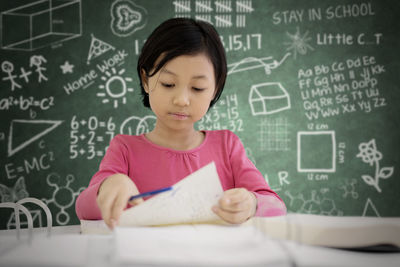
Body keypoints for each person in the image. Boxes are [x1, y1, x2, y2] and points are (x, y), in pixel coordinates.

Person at [75, 18, 286, 229]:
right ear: (146, 80)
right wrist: (107, 187)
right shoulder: (124, 150)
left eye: (197, 88)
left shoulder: (227, 146)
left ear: (215, 88)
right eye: (168, 84)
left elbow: (276, 207)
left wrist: (251, 203)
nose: (181, 100)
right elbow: (83, 208)